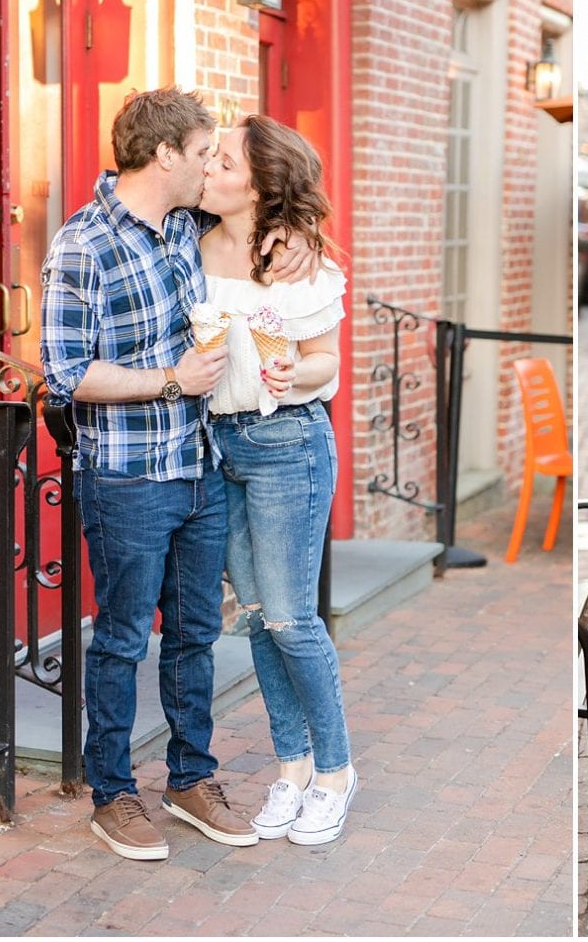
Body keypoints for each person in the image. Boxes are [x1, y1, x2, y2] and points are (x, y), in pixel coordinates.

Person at [40, 87, 315, 862]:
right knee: (124, 640)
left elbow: (269, 219)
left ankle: (191, 779)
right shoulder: (82, 245)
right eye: (202, 154)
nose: (210, 167)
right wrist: (171, 379)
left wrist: (297, 233)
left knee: (196, 636)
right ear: (165, 154)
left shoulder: (188, 228)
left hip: (202, 469)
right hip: (128, 477)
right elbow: (64, 372)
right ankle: (113, 794)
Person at [198, 116, 358, 845]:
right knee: (258, 614)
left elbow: (328, 362)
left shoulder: (297, 261)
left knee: (293, 617)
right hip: (215, 445)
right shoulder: (188, 242)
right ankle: (290, 767)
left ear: (258, 185)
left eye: (222, 159)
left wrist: (299, 370)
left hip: (287, 443)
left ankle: (335, 771)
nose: (208, 166)